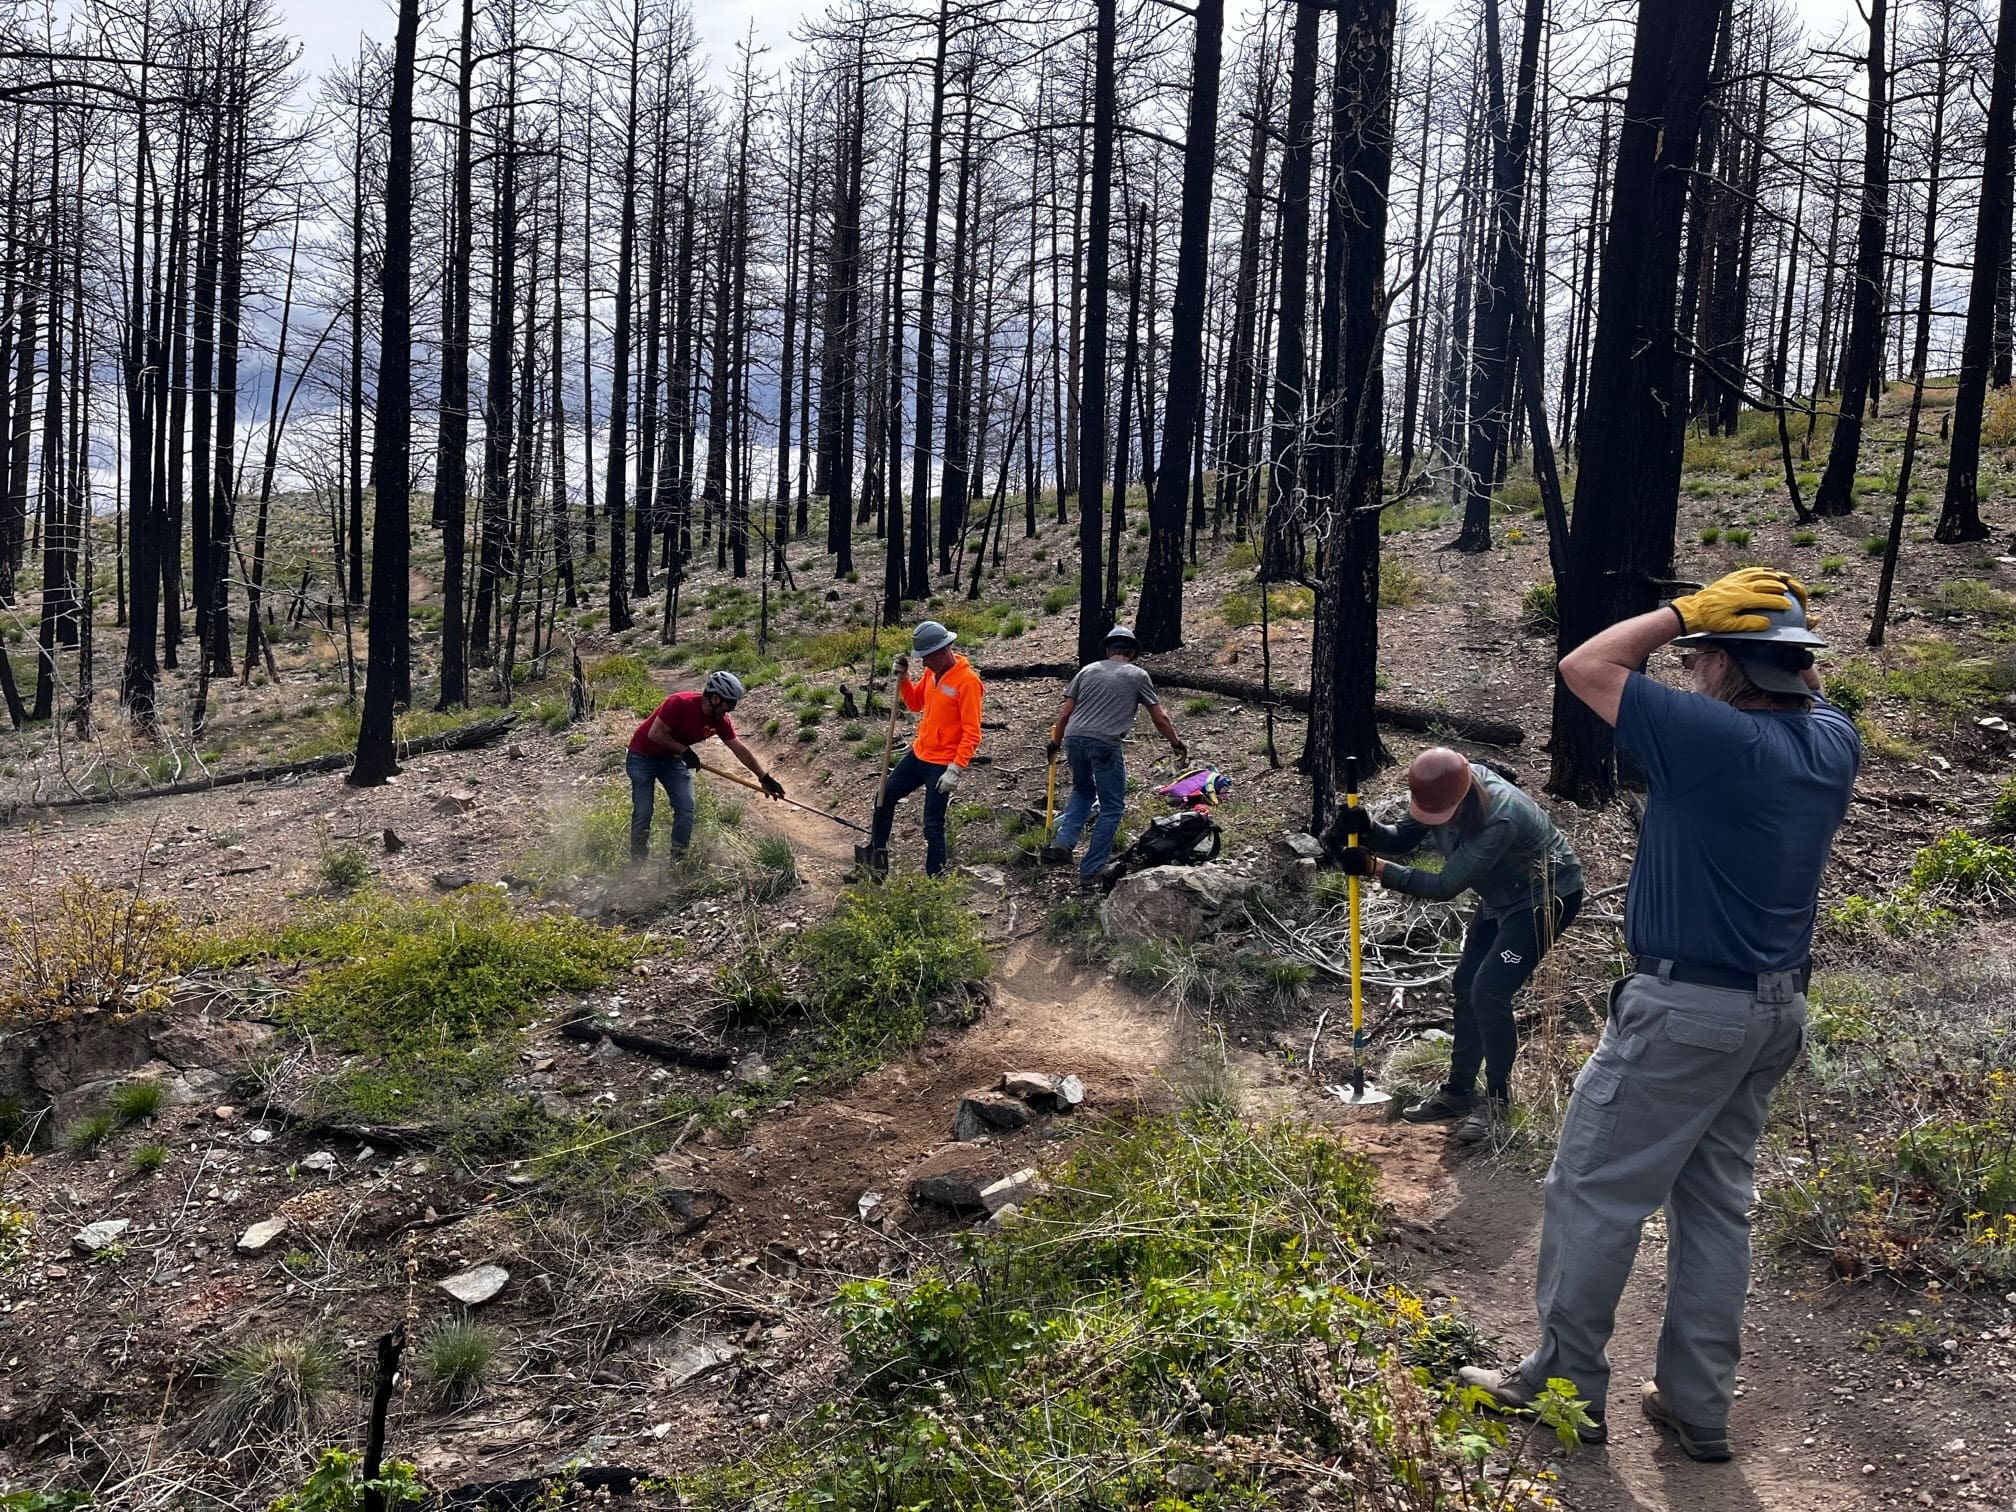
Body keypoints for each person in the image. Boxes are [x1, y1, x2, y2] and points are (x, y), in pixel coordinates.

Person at [1459, 567, 1858, 1463]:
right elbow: (1796, 690)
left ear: (1725, 662)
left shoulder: (1715, 739)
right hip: (1773, 1010)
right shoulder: (1834, 739)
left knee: (1591, 1192)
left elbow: (1586, 663)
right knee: (1715, 1207)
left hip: (1684, 1012)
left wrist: (1681, 612)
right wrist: (1750, 633)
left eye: (1702, 657)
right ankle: (1696, 1406)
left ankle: (1561, 1390)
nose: (1691, 670)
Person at [1325, 746, 1584, 1141]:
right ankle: (1459, 1094)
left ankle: (1497, 1107)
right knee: (1466, 984)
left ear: (1462, 796)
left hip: (1545, 898)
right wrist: (1370, 828)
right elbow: (1403, 837)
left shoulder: (1500, 818)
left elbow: (1444, 885)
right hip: (1500, 896)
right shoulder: (1443, 785)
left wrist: (1375, 867)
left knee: (1489, 992)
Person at [1042, 625, 1187, 880]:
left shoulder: (1086, 671)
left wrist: (1055, 742)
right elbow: (1160, 717)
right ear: (1132, 653)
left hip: (1073, 739)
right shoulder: (1137, 675)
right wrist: (1175, 743)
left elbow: (1064, 713)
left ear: (1109, 649)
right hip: (1105, 742)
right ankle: (1092, 869)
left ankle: (1063, 843)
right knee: (1112, 806)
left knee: (1083, 790)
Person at [866, 620, 984, 877]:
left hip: (942, 764)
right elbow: (915, 703)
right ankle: (875, 861)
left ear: (943, 651)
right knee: (883, 798)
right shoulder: (933, 672)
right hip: (920, 754)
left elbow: (972, 732)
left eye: (926, 657)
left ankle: (935, 880)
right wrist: (905, 678)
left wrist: (956, 767)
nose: (923, 663)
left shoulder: (968, 682)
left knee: (933, 825)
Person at [626, 670, 784, 862]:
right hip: (642, 757)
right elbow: (656, 734)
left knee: (686, 807)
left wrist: (763, 777)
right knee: (644, 812)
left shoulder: (720, 721)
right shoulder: (679, 703)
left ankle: (678, 860)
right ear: (715, 698)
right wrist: (685, 751)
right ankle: (637, 862)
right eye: (729, 705)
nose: (730, 711)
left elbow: (739, 748)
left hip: (671, 759)